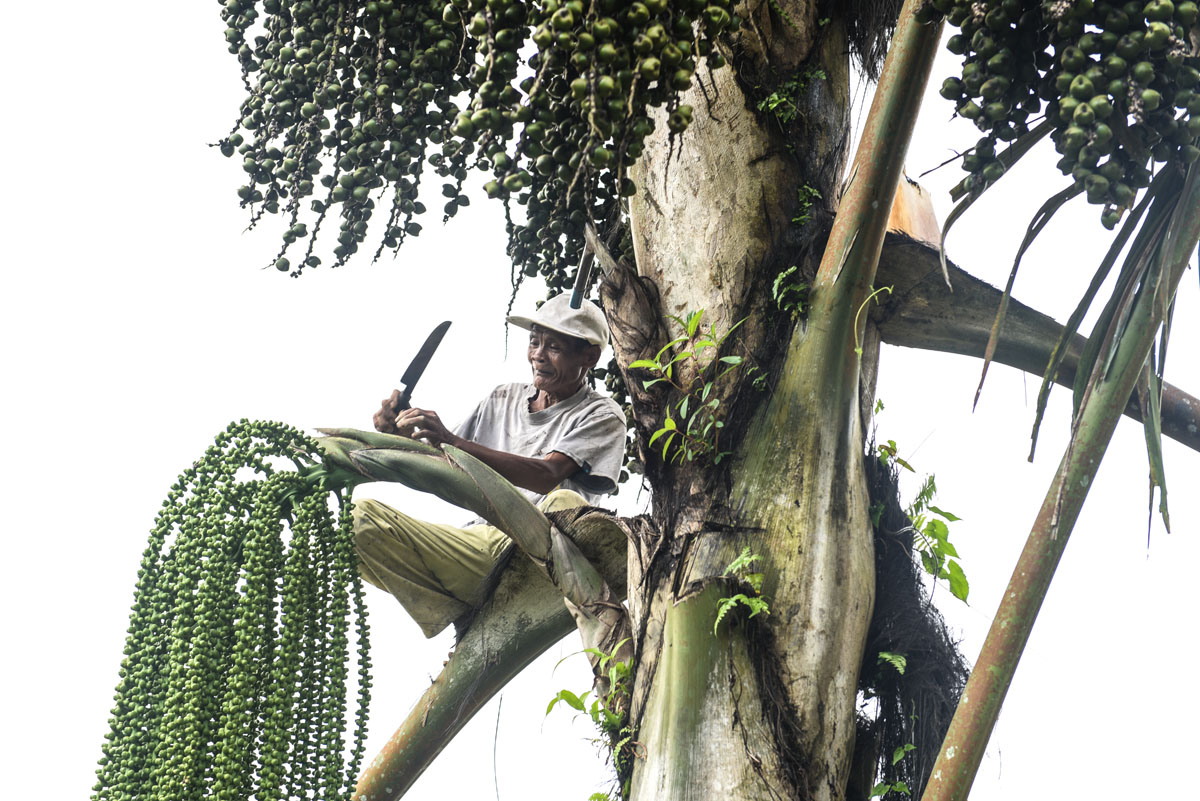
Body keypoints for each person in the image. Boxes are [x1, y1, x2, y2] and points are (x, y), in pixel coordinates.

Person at [354, 294, 627, 637]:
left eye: (553, 346)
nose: (537, 355)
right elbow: (445, 460)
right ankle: (459, 606)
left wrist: (452, 441)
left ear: (589, 356)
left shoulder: (601, 414)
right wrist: (397, 432)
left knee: (565, 503)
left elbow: (548, 475)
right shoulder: (504, 397)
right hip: (480, 543)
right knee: (354, 524)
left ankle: (467, 601)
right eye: (534, 342)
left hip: (536, 556)